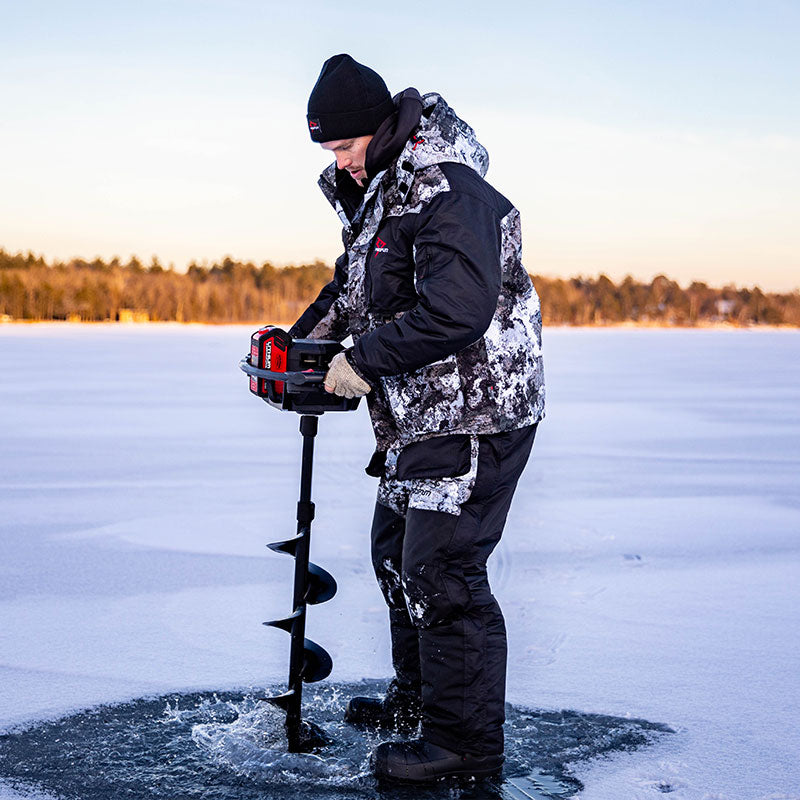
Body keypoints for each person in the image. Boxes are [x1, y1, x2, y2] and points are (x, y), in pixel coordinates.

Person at [288, 54, 545, 783]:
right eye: (326, 151)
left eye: (342, 146)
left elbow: (458, 310)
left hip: (476, 410)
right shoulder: (380, 194)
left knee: (443, 568)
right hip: (418, 414)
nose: (337, 162)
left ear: (378, 128)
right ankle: (421, 708)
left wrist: (361, 361)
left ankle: (462, 746)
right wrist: (299, 348)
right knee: (396, 553)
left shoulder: (446, 189)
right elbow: (356, 287)